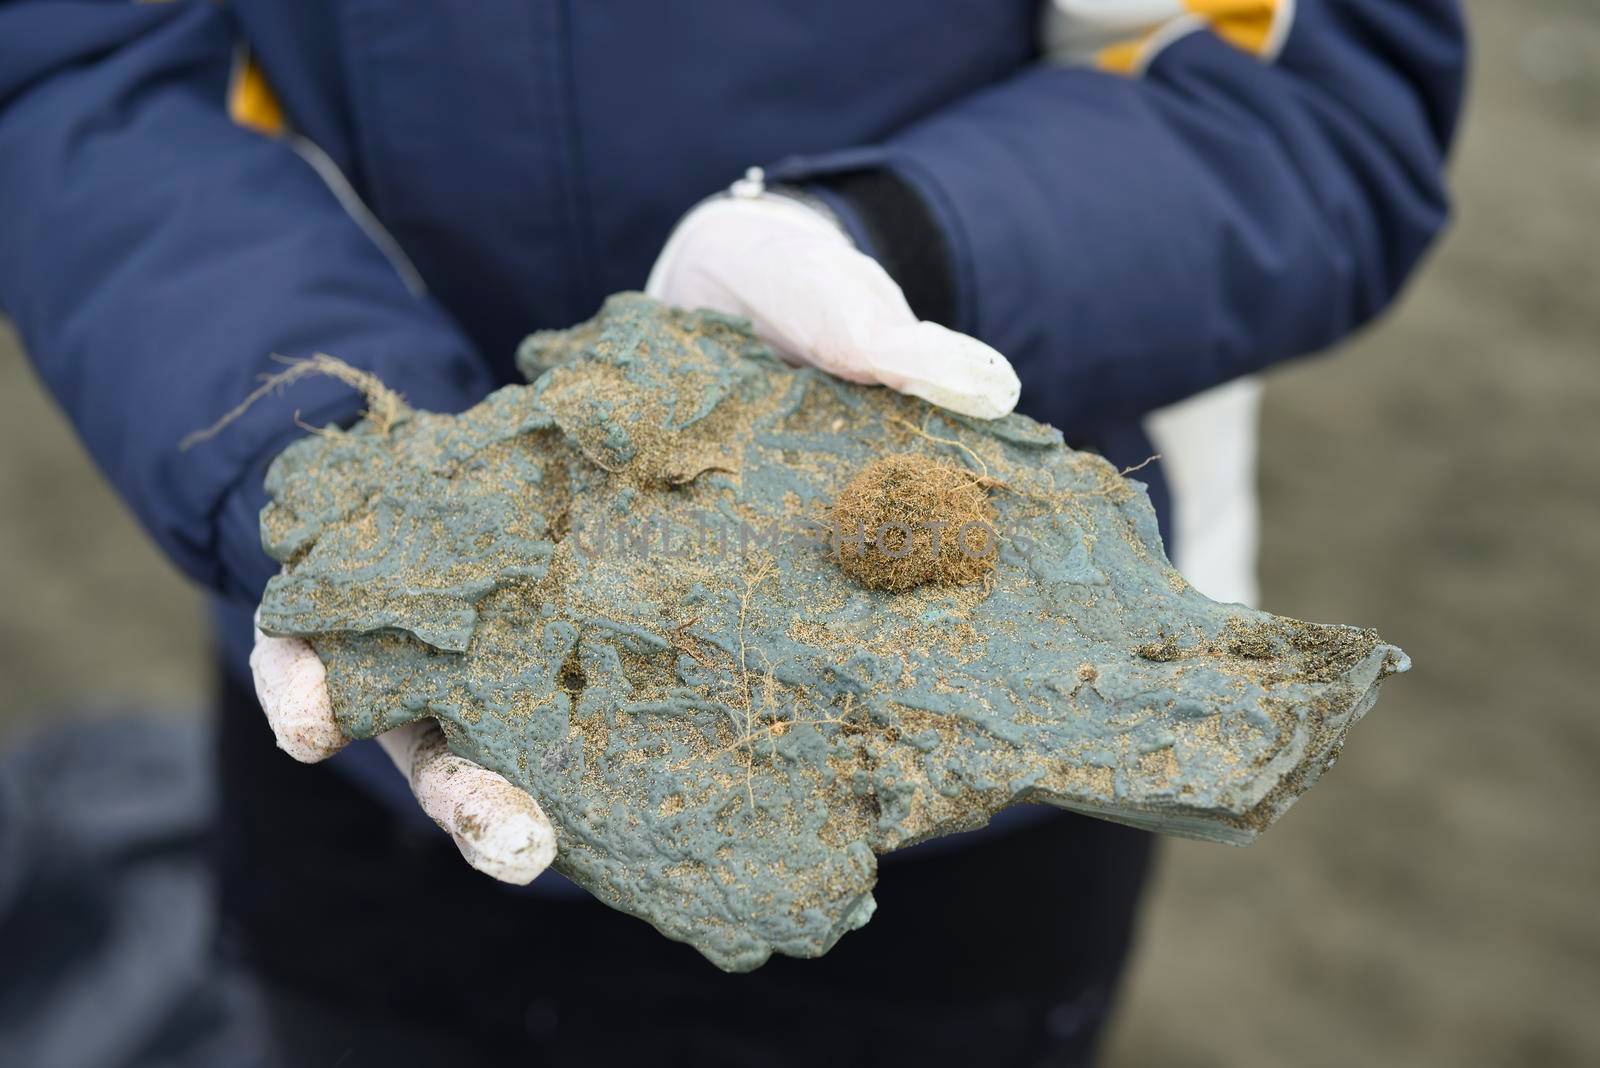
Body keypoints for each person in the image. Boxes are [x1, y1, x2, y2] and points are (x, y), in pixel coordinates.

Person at [0, 1, 1465, 1064]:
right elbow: (86, 71)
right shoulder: (368, 562)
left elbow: (1309, 80)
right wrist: (333, 487)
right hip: (381, 761)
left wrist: (896, 238)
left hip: (963, 792)